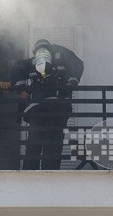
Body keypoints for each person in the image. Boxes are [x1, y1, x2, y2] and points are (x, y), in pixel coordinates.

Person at [10, 39, 84, 170]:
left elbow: (17, 67)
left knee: (34, 145)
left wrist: (20, 89)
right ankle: (49, 174)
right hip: (57, 109)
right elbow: (77, 63)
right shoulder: (60, 57)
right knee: (52, 146)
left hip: (38, 109)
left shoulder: (33, 63)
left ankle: (31, 175)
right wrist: (72, 82)